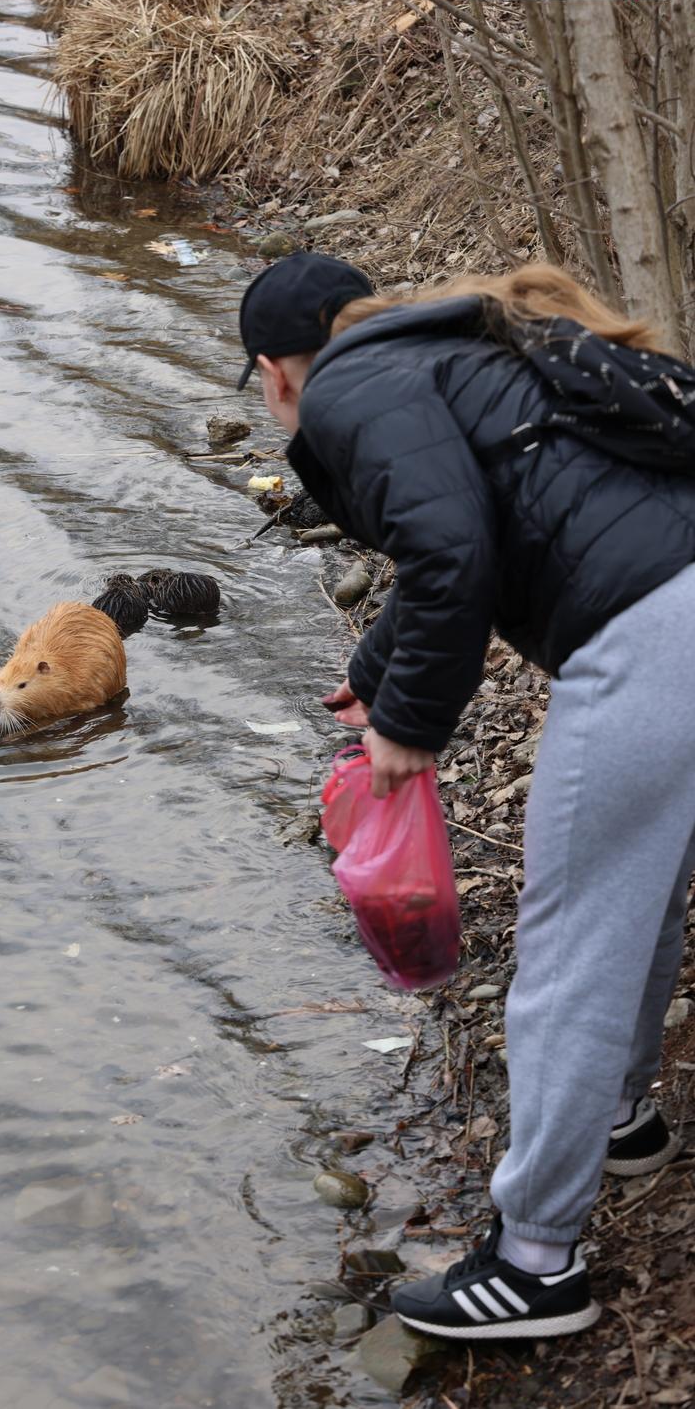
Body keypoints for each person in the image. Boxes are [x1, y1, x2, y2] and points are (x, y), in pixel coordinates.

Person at [236, 251, 695, 1341]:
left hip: (652, 633)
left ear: (275, 372)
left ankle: (535, 1261)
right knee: (638, 893)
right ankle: (619, 1117)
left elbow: (448, 548)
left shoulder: (344, 387)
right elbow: (492, 514)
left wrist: (408, 728)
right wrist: (381, 666)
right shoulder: (457, 344)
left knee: (571, 943)